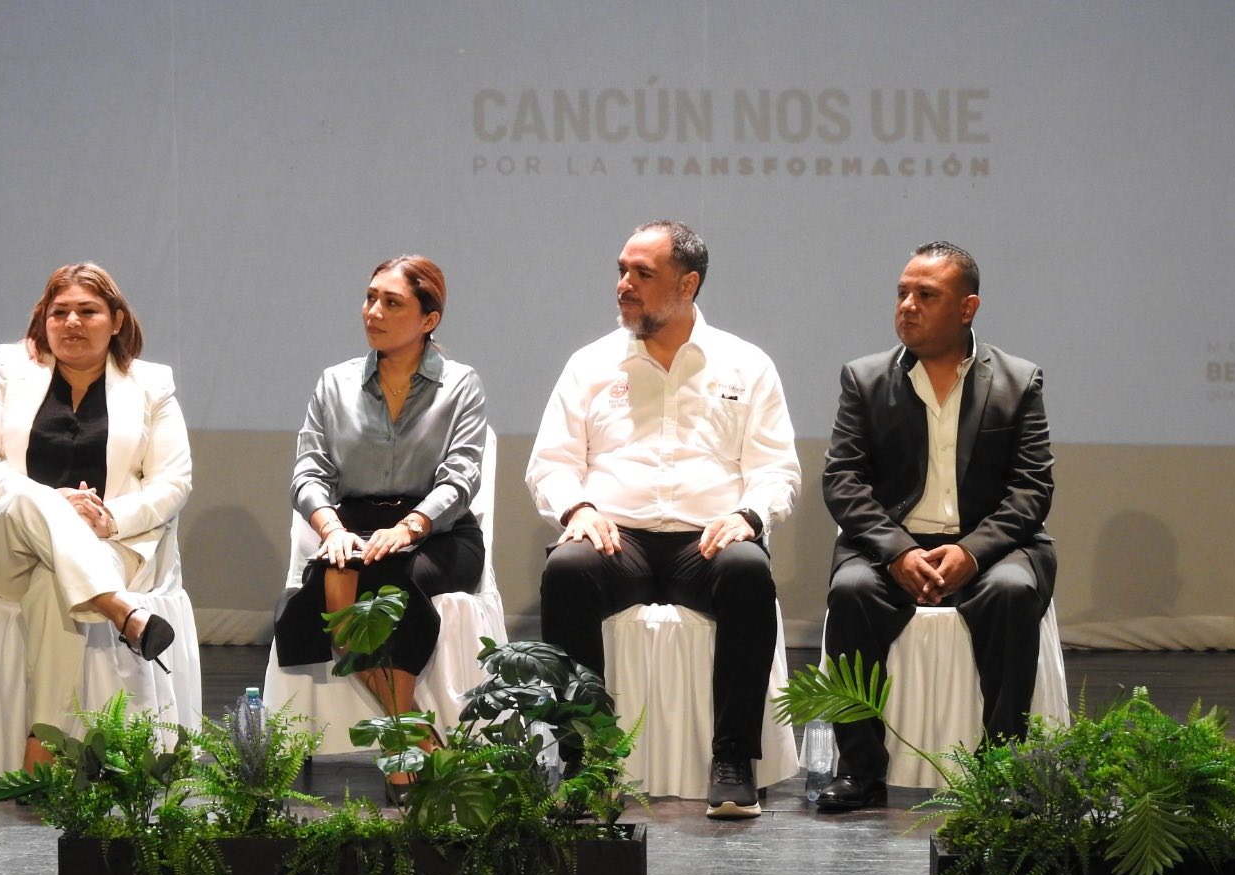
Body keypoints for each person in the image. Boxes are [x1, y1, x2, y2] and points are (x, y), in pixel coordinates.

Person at [527, 220, 801, 819]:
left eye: (642, 274)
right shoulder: (590, 364)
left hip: (706, 542)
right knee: (567, 569)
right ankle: (585, 762)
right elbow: (551, 462)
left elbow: (777, 469)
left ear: (688, 284)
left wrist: (750, 514)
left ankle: (733, 760)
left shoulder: (746, 364)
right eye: (622, 270)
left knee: (748, 570)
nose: (624, 284)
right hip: (616, 539)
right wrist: (578, 508)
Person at [817, 240, 1056, 812]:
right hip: (892, 542)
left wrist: (972, 552)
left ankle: (1002, 771)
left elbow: (1032, 488)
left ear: (967, 308)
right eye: (902, 293)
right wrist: (897, 551)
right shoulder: (865, 378)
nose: (907, 306)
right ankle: (860, 770)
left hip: (990, 544)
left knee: (1012, 591)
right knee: (851, 592)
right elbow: (843, 480)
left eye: (926, 295)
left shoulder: (1018, 381)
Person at [0, 262, 192, 771]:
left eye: (88, 311)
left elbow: (174, 482)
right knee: (30, 502)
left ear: (116, 321)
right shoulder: (9, 369)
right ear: (44, 319)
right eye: (59, 312)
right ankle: (121, 611)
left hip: (105, 544)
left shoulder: (151, 385)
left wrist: (110, 519)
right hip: (5, 543)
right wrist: (51, 502)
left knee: (51, 583)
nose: (72, 322)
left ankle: (42, 746)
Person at [273, 255, 487, 789]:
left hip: (439, 533)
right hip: (355, 527)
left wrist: (411, 526)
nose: (373, 312)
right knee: (339, 570)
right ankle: (410, 736)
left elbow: (461, 478)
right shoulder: (335, 383)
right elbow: (308, 472)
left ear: (429, 319)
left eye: (392, 303)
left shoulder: (460, 384)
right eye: (370, 298)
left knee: (389, 576)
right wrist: (331, 530)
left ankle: (403, 744)